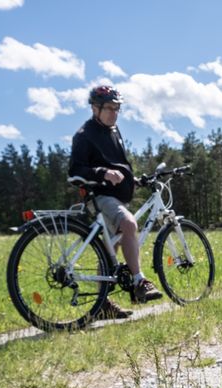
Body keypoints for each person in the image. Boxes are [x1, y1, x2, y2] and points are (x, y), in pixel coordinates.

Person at [68, 85, 162, 319]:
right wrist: (102, 173)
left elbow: (117, 163)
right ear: (94, 108)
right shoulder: (84, 134)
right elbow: (75, 171)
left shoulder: (113, 130)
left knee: (112, 250)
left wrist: (133, 180)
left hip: (115, 196)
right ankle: (140, 282)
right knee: (129, 225)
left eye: (117, 108)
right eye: (109, 108)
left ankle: (102, 306)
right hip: (99, 197)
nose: (114, 112)